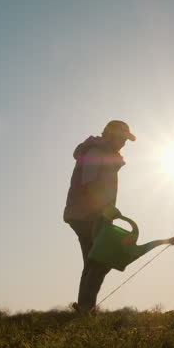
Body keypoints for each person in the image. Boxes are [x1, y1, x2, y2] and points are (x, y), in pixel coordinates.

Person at [63, 120, 135, 312]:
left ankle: (84, 309)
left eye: (126, 140)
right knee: (99, 260)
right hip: (85, 214)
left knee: (93, 261)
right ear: (111, 135)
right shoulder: (96, 152)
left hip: (91, 213)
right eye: (122, 138)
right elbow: (89, 182)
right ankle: (86, 308)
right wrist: (105, 208)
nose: (124, 143)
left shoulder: (105, 154)